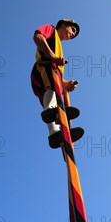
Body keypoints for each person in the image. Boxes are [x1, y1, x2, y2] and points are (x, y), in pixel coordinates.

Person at [31, 19, 85, 149]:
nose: (73, 34)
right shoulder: (51, 29)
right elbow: (37, 36)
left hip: (49, 79)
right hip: (44, 67)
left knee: (55, 91)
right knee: (53, 89)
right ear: (64, 24)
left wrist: (67, 84)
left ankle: (55, 134)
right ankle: (51, 111)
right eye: (73, 30)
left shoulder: (59, 47)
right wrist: (52, 56)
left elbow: (58, 79)